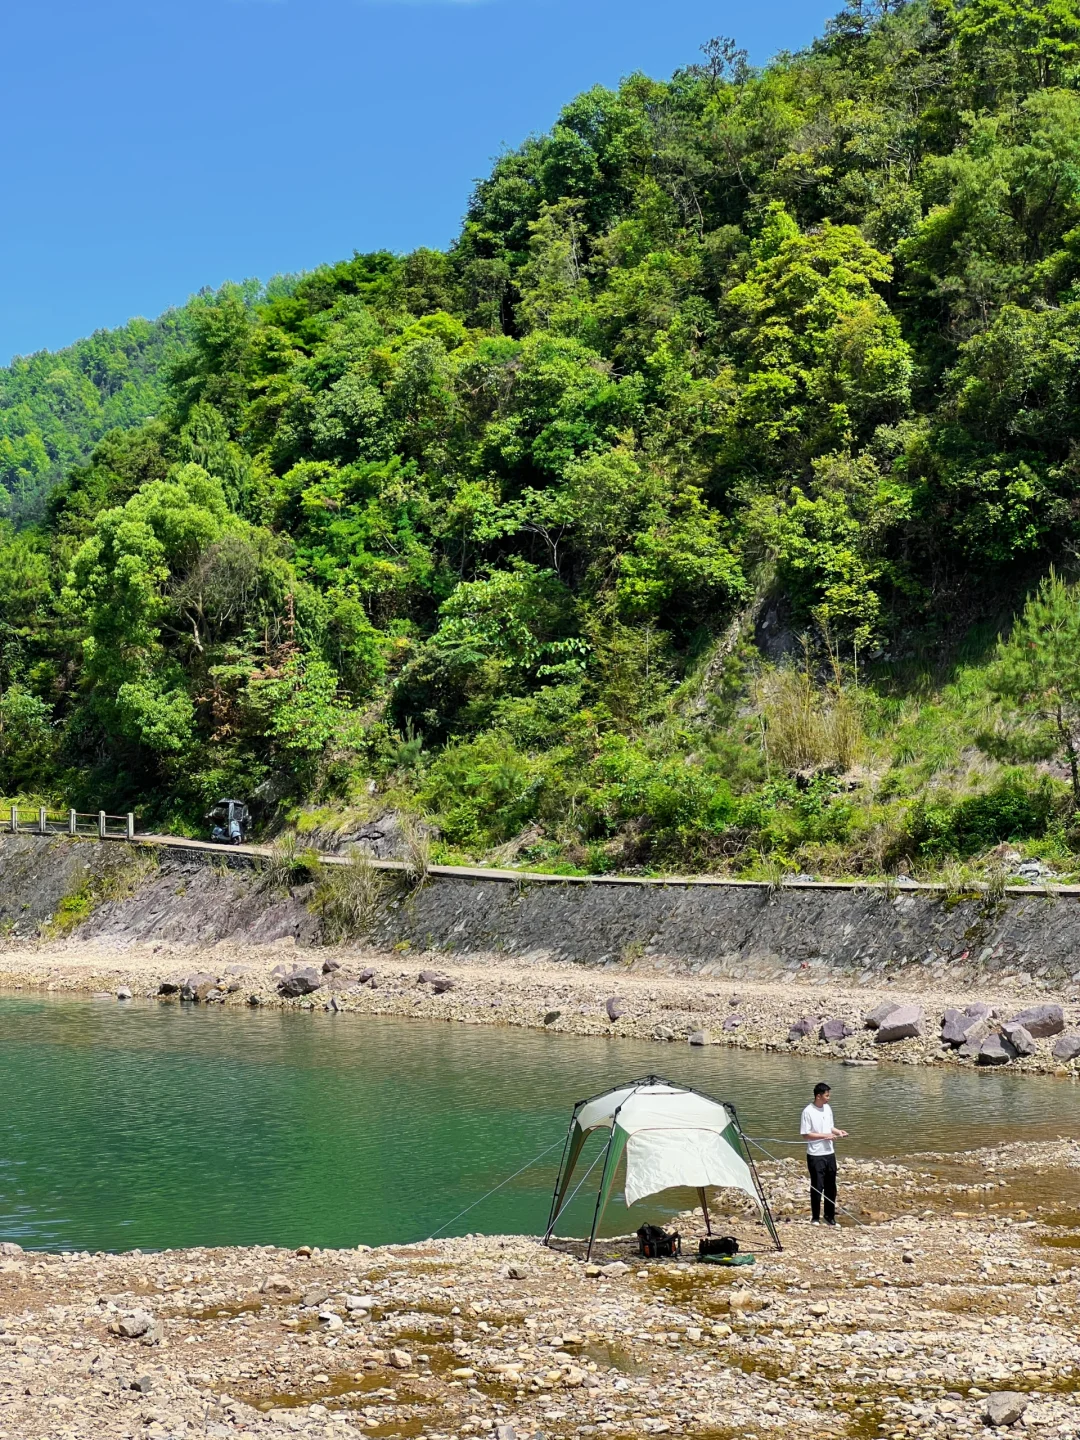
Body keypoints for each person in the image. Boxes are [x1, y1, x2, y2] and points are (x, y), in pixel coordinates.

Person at [800, 1082, 847, 1225]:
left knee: (831, 1186)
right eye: (827, 1095)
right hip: (815, 1155)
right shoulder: (808, 1111)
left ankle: (829, 1216)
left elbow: (830, 1127)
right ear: (818, 1096)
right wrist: (824, 1136)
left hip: (829, 1153)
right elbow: (806, 1135)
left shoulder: (827, 1108)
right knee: (817, 1186)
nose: (829, 1098)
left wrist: (838, 1132)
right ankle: (815, 1217)